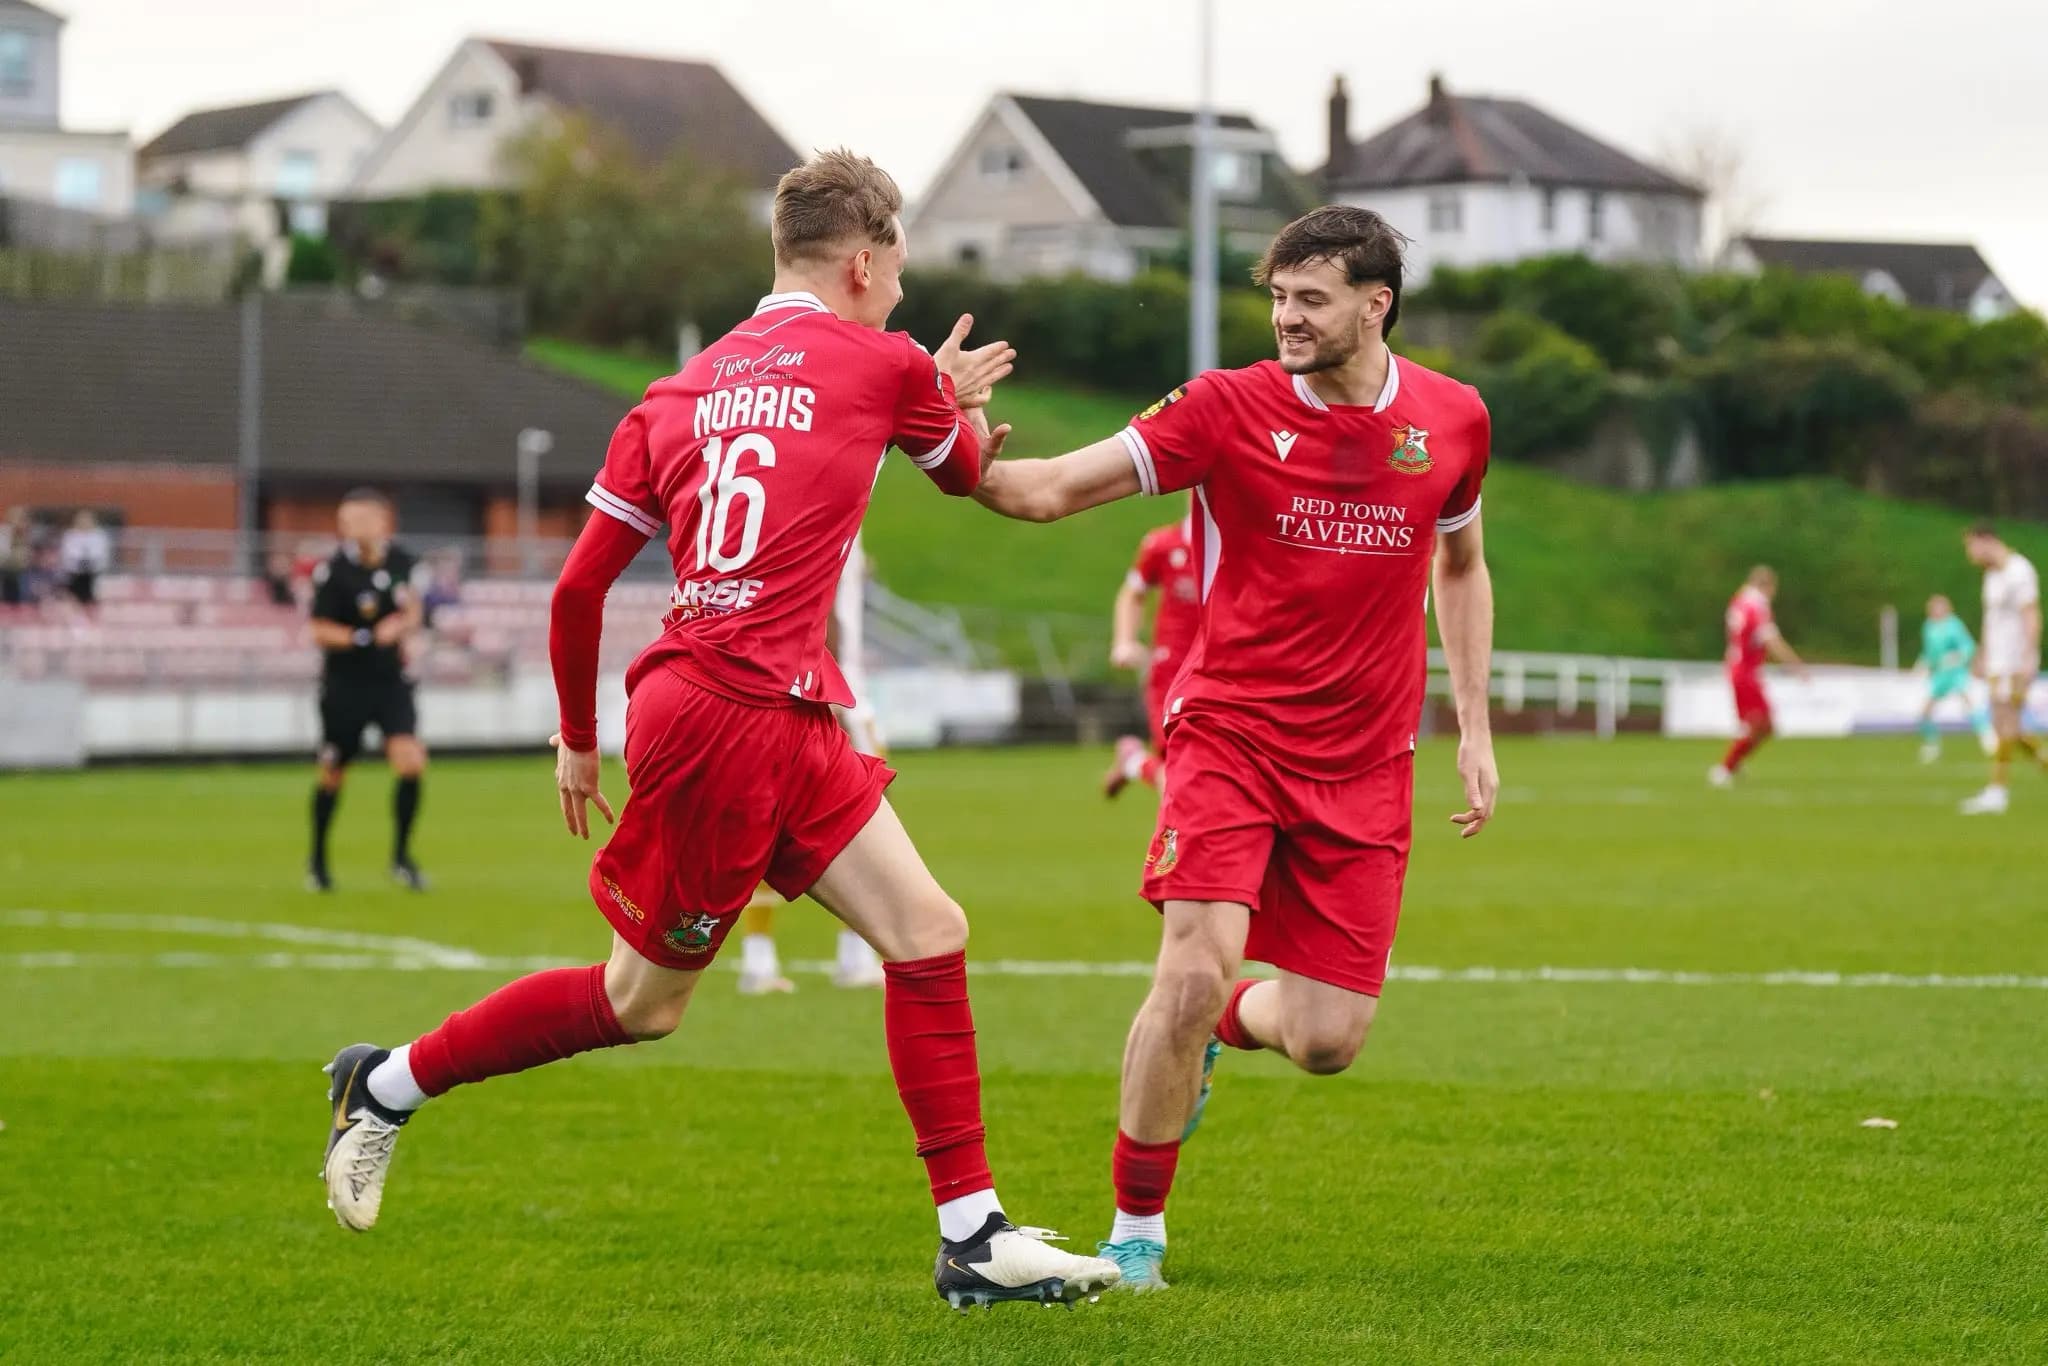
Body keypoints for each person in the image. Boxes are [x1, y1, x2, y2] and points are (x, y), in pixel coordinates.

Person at [316, 150, 1120, 1311]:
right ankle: (386, 1082)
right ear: (861, 263)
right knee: (640, 1003)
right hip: (730, 716)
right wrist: (954, 400)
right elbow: (966, 474)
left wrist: (576, 736)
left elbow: (577, 589)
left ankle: (973, 1236)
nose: (900, 290)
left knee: (926, 931)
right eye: (897, 269)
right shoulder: (887, 361)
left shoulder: (679, 390)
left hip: (752, 701)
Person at [967, 205, 1498, 1290]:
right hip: (1230, 734)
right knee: (1191, 968)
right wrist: (950, 437)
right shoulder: (1223, 407)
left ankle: (1223, 1027)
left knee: (1327, 1040)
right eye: (1277, 297)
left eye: (1310, 300)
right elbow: (1045, 490)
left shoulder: (1453, 419)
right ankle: (1134, 1237)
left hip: (1367, 761)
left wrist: (1475, 726)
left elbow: (1461, 564)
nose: (1286, 318)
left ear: (1375, 304)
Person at [736, 531, 889, 994]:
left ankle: (765, 960)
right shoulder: (839, 516)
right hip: (835, 695)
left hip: (822, 692)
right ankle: (847, 957)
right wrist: (832, 693)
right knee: (863, 831)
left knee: (774, 830)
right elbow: (826, 605)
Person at [306, 488, 428, 891]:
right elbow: (319, 630)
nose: (350, 527)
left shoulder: (404, 562)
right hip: (344, 686)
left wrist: (402, 624)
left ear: (381, 522)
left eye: (358, 519)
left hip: (390, 683)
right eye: (345, 520)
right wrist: (365, 637)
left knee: (411, 762)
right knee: (333, 773)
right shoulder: (332, 571)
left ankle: (401, 858)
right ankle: (318, 862)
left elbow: (413, 611)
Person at [1102, 511, 1200, 798]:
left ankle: (1133, 761)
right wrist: (1124, 641)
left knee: (1198, 770)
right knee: (1177, 776)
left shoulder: (1240, 543)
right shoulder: (1163, 544)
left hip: (1219, 669)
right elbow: (1133, 594)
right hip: (1171, 671)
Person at [1959, 523, 2043, 814]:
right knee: (2006, 727)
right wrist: (1982, 655)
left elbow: (2031, 615)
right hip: (1997, 663)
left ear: (1986, 541)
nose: (1970, 555)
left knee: (2007, 724)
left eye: (1971, 547)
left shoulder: (2019, 571)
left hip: (2015, 662)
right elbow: (1992, 621)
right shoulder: (1992, 576)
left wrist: (2028, 657)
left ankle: (1997, 791)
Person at [1708, 566, 1809, 787]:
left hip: (1737, 667)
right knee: (1761, 723)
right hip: (1746, 672)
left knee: (1758, 724)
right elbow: (1771, 641)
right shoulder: (1757, 607)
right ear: (1768, 586)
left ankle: (1733, 764)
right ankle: (1724, 769)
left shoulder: (1739, 601)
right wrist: (1795, 665)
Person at [1915, 594, 1993, 763]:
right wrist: (1923, 663)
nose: (1937, 610)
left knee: (1968, 702)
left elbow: (1968, 646)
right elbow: (1929, 652)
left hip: (1956, 672)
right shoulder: (1928, 627)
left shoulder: (1954, 625)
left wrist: (1956, 657)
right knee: (1925, 711)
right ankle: (1932, 744)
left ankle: (1986, 735)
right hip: (1940, 675)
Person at [58, 509, 112, 611]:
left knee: (92, 596)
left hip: (93, 573)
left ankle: (91, 613)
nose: (84, 522)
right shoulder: (70, 535)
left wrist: (91, 562)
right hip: (75, 573)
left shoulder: (99, 535)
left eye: (87, 519)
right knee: (74, 598)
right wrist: (77, 562)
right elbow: (66, 553)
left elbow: (103, 553)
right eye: (82, 519)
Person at [0, 508, 30, 607]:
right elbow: (2, 555)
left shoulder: (25, 534)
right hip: (4, 572)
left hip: (21, 572)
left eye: (23, 519)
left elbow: (27, 555)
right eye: (18, 519)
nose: (21, 522)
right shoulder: (4, 532)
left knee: (21, 600)